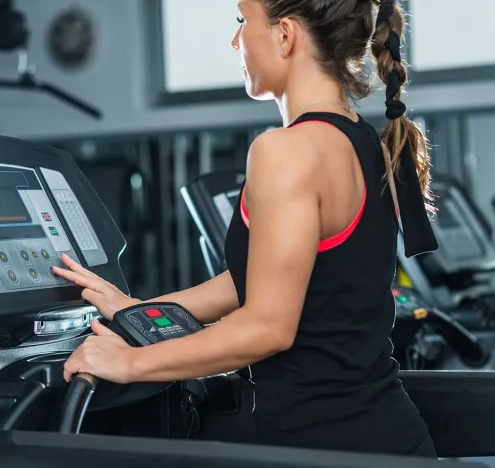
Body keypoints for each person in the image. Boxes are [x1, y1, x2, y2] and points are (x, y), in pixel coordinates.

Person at [53, 0, 439, 457]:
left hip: (328, 446)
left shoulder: (286, 151)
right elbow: (268, 282)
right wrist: (139, 309)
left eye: (242, 21)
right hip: (383, 434)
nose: (235, 41)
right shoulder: (365, 142)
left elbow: (268, 327)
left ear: (285, 34)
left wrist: (131, 362)